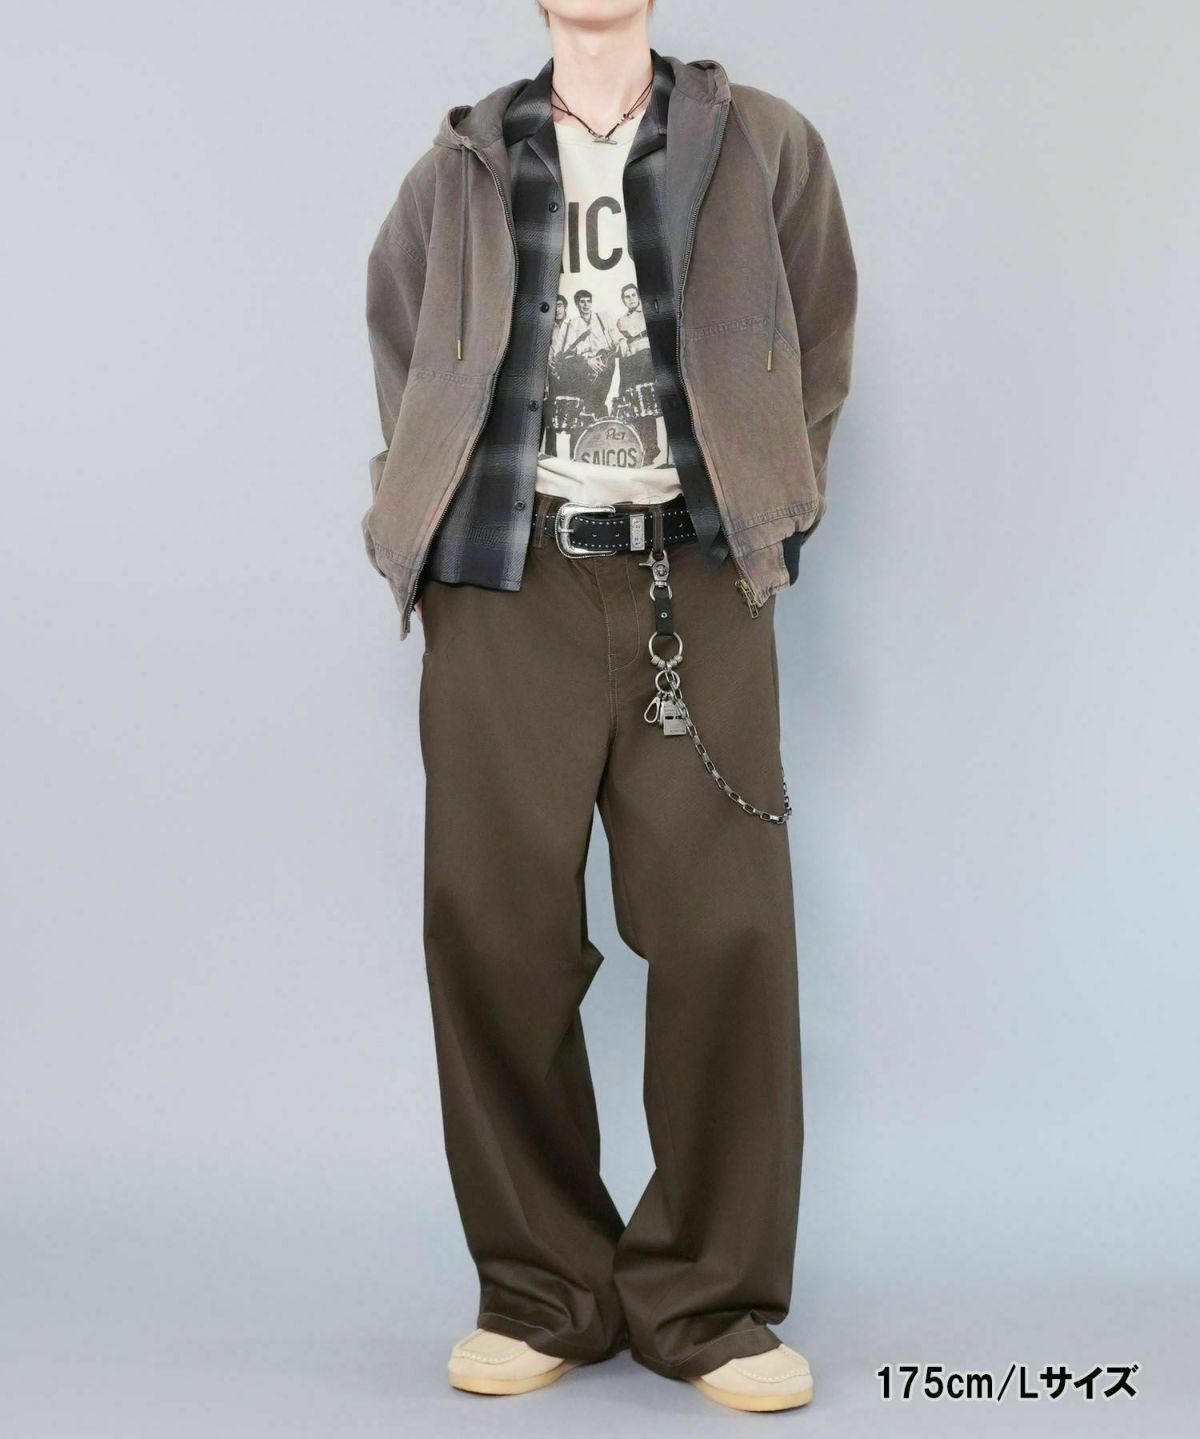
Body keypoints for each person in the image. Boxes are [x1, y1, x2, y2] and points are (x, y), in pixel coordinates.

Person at [363, 0, 857, 1413]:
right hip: (503, 586)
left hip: (695, 580)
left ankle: (711, 1302)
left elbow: (817, 336)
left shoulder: (761, 143)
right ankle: (543, 1292)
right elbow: (406, 342)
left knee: (726, 936)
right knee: (494, 937)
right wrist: (423, 511)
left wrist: (769, 504)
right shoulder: (463, 162)